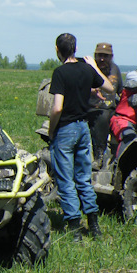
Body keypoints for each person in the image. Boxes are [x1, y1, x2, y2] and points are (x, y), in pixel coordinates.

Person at [48, 33, 114, 242]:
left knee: (66, 180)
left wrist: (51, 130)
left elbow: (57, 107)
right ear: (75, 48)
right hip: (83, 128)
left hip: (66, 129)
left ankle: (75, 228)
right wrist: (94, 66)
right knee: (84, 179)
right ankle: (94, 226)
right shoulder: (87, 69)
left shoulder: (59, 72)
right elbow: (110, 88)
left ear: (58, 50)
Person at [87, 42, 122, 164]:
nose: (102, 59)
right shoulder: (88, 69)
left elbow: (121, 91)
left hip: (111, 108)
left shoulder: (115, 69)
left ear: (111, 57)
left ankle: (118, 157)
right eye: (99, 55)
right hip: (92, 108)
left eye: (105, 56)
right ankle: (99, 155)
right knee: (102, 117)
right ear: (95, 56)